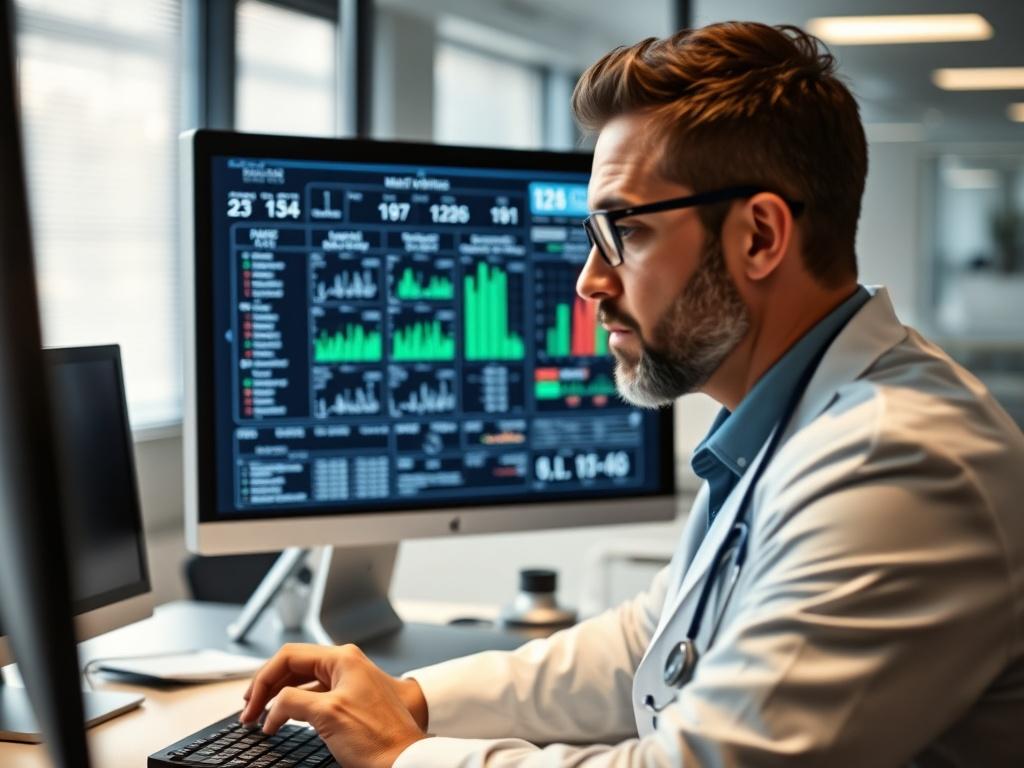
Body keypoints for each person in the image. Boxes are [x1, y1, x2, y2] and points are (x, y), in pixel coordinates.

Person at [239, 21, 1024, 767]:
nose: (589, 280)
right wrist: (413, 699)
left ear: (759, 236)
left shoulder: (893, 463)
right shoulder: (793, 418)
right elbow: (650, 641)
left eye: (627, 230)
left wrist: (405, 756)